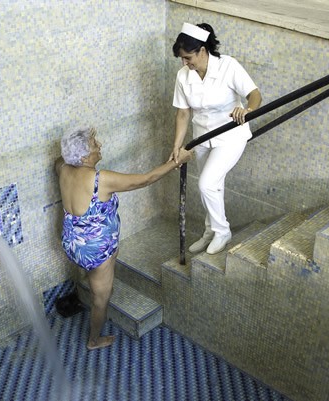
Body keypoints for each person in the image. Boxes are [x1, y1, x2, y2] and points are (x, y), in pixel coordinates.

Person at [56, 126, 192, 350]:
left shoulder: (63, 169)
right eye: (93, 144)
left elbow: (58, 163)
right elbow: (146, 179)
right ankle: (94, 340)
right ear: (83, 157)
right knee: (101, 298)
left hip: (72, 243)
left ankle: (97, 277)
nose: (99, 145)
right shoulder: (101, 179)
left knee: (102, 267)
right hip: (96, 251)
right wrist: (179, 160)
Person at [170, 22, 262, 255]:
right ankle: (209, 230)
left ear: (202, 50)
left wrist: (248, 111)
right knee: (213, 187)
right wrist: (177, 146)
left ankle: (222, 231)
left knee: (206, 184)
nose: (184, 63)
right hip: (202, 137)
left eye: (188, 57)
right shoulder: (183, 76)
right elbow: (183, 112)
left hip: (230, 136)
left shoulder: (228, 66)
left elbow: (254, 95)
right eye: (181, 58)